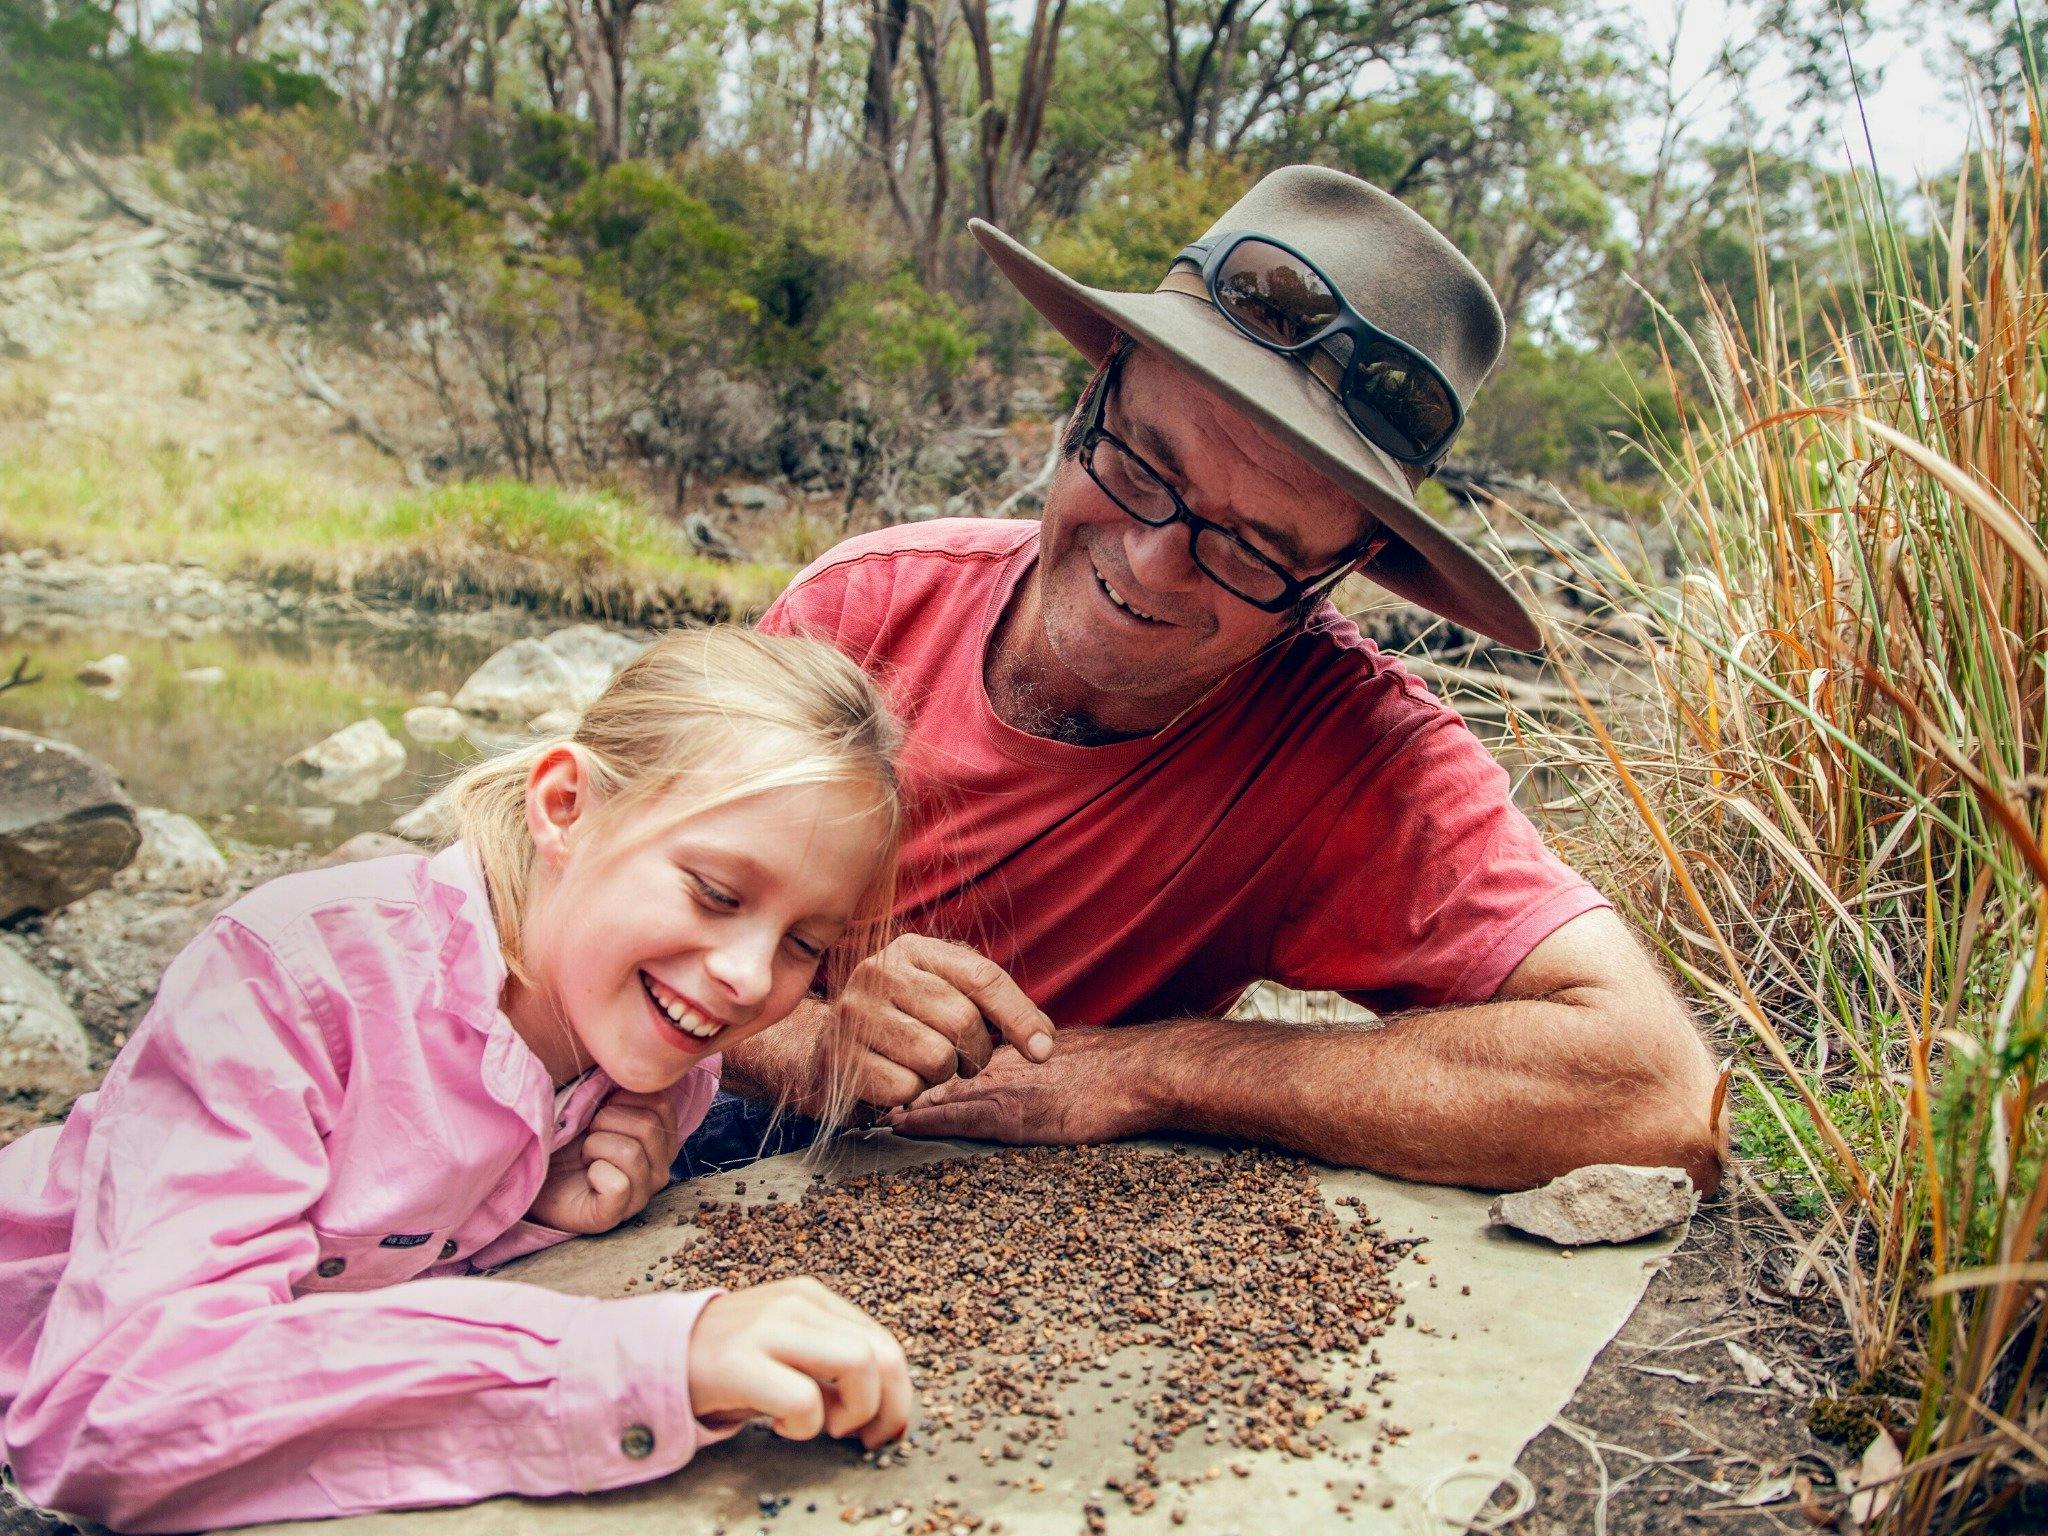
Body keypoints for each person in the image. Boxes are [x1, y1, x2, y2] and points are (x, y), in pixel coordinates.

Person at [714, 165, 1726, 1195]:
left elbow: (1653, 1095)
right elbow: (583, 908)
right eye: (1140, 468)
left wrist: (1153, 1070)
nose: (1148, 563)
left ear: (1340, 571)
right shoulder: (861, 611)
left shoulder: (1350, 751)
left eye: (1251, 549)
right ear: (1089, 396)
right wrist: (816, 1046)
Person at [0, 627, 914, 1533]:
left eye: (805, 944)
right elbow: (116, 1404)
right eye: (716, 893)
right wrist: (651, 1361)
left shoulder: (667, 1060)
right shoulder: (287, 977)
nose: (753, 979)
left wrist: (520, 1218)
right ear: (565, 806)